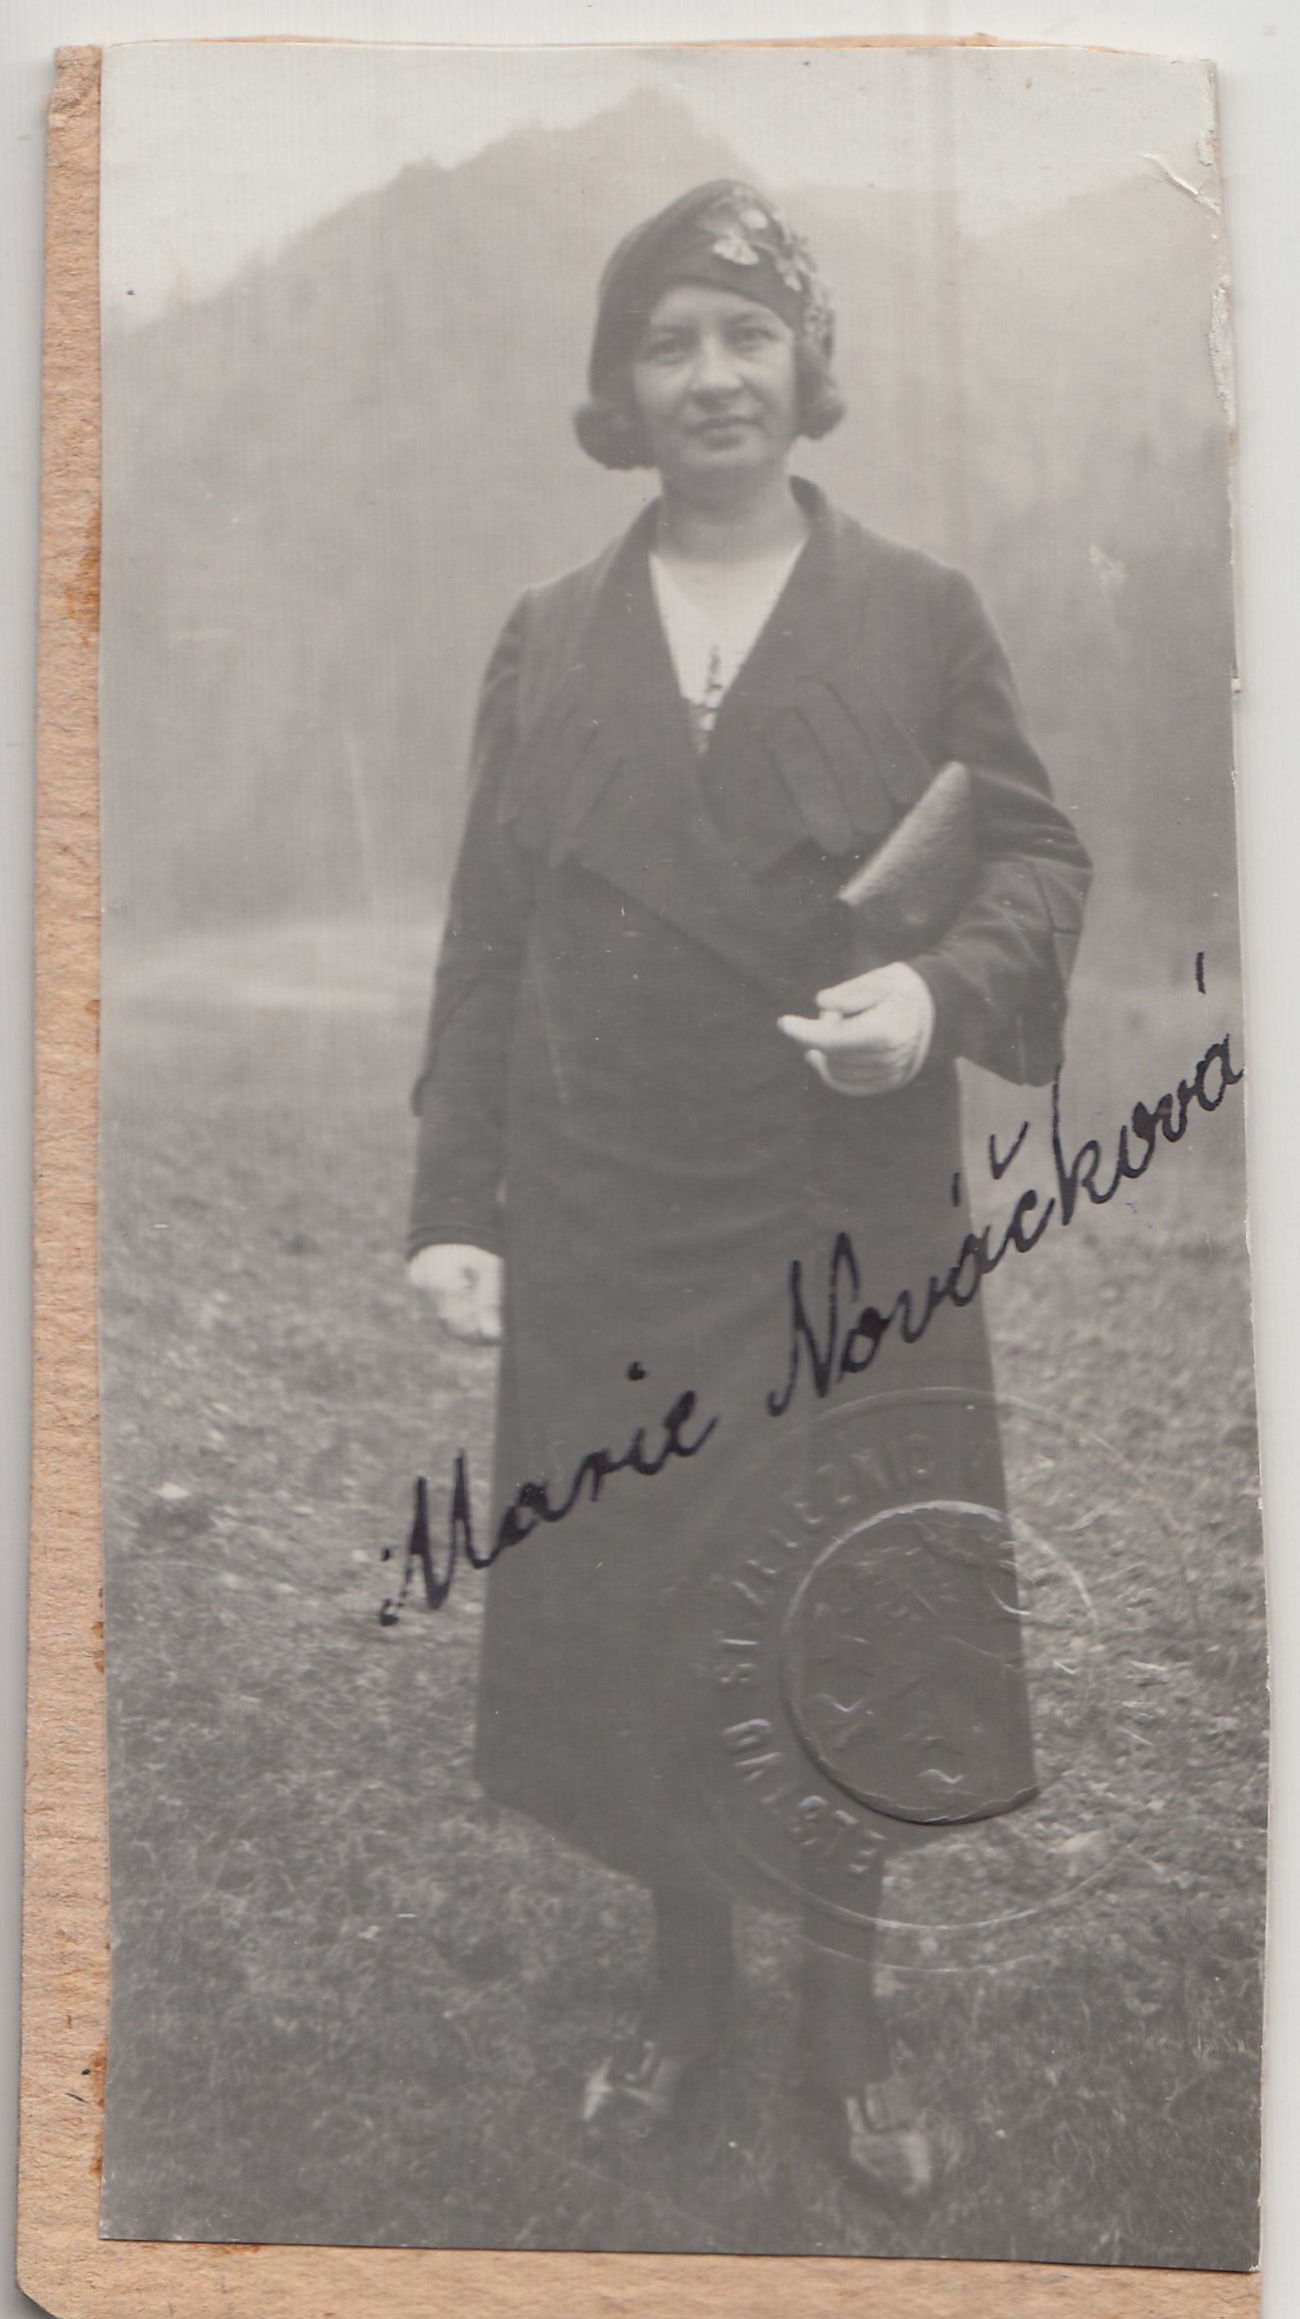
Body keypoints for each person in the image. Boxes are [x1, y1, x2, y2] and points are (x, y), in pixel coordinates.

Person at [406, 181, 1090, 2204]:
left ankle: (848, 2019)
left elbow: (1034, 858)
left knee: (849, 1588)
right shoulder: (548, 635)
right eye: (667, 343)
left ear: (804, 369)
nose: (710, 377)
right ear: (619, 388)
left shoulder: (918, 610)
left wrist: (934, 994)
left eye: (744, 335)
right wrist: (456, 1204)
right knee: (647, 1596)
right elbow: (486, 937)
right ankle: (686, 1985)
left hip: (841, 1207)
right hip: (614, 1205)